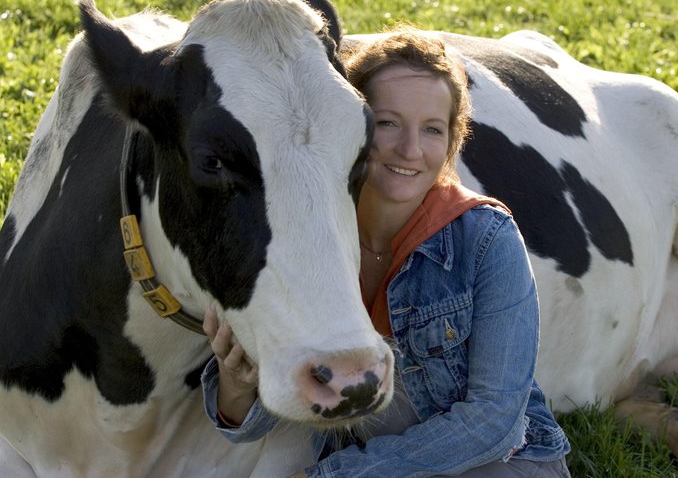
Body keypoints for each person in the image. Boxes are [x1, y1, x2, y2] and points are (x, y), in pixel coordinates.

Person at [201, 28, 571, 477]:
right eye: (388, 123)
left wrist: (335, 475)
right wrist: (235, 389)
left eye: (432, 129)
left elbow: (495, 421)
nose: (410, 150)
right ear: (351, 127)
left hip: (500, 465)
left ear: (452, 140)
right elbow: (259, 417)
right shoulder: (310, 244)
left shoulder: (487, 239)